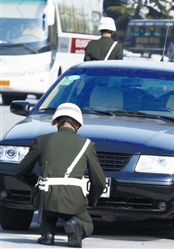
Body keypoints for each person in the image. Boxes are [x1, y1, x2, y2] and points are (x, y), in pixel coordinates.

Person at [15, 103, 106, 248]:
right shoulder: (87, 145)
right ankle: (75, 225)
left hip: (46, 198)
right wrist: (90, 201)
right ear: (77, 124)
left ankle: (47, 234)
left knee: (48, 208)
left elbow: (21, 172)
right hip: (73, 201)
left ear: (56, 122)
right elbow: (100, 182)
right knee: (87, 224)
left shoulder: (42, 140)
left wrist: (36, 184)